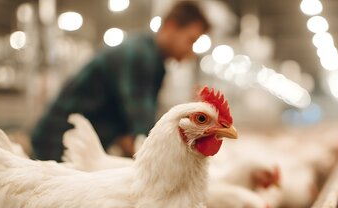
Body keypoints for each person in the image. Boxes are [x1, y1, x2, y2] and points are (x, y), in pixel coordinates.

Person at [31, 1, 209, 160]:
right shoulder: (141, 56)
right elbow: (143, 137)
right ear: (171, 26)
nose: (191, 53)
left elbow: (135, 134)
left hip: (73, 140)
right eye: (191, 40)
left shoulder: (149, 55)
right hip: (58, 142)